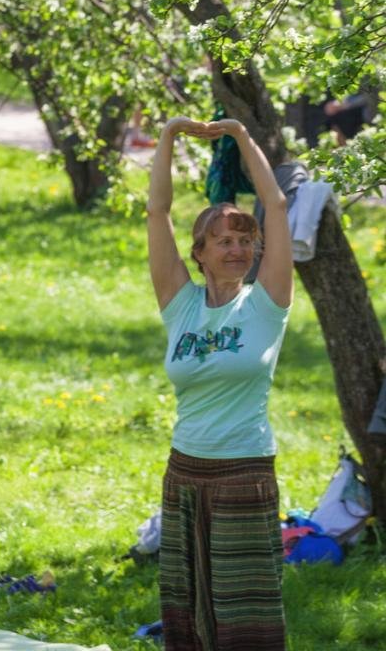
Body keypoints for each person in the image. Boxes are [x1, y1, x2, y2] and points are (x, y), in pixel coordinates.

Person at [147, 117, 293, 650]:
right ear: (200, 253)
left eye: (244, 241)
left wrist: (240, 136)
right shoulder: (179, 303)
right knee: (186, 610)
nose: (236, 249)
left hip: (244, 471)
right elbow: (157, 212)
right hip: (184, 472)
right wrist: (166, 137)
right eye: (223, 241)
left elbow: (276, 208)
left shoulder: (266, 304)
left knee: (245, 612)